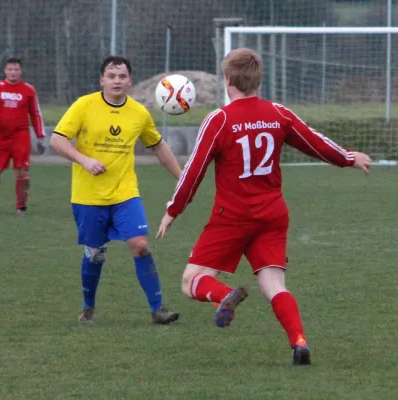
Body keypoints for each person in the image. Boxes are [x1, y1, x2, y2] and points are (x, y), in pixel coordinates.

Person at [155, 48, 372, 365]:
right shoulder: (278, 113)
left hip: (232, 218)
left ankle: (223, 295)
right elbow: (314, 141)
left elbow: (194, 171)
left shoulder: (220, 120)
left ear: (228, 80)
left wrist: (173, 210)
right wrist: (349, 158)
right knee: (273, 285)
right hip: (272, 216)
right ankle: (299, 342)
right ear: (259, 79)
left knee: (191, 281)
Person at [50, 55, 181, 325]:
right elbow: (57, 139)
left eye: (122, 76)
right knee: (95, 253)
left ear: (129, 80)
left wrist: (182, 177)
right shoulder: (84, 106)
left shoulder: (138, 113)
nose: (117, 81)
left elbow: (157, 145)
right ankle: (88, 307)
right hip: (88, 196)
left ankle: (158, 309)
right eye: (111, 76)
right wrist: (85, 161)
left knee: (141, 246)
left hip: (125, 194)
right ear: (102, 80)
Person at [0, 57, 46, 216]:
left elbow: (35, 113)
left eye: (16, 69)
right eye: (10, 69)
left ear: (20, 71)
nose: (13, 72)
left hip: (20, 136)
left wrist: (40, 136)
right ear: (5, 71)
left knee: (22, 172)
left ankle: (21, 206)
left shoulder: (28, 90)